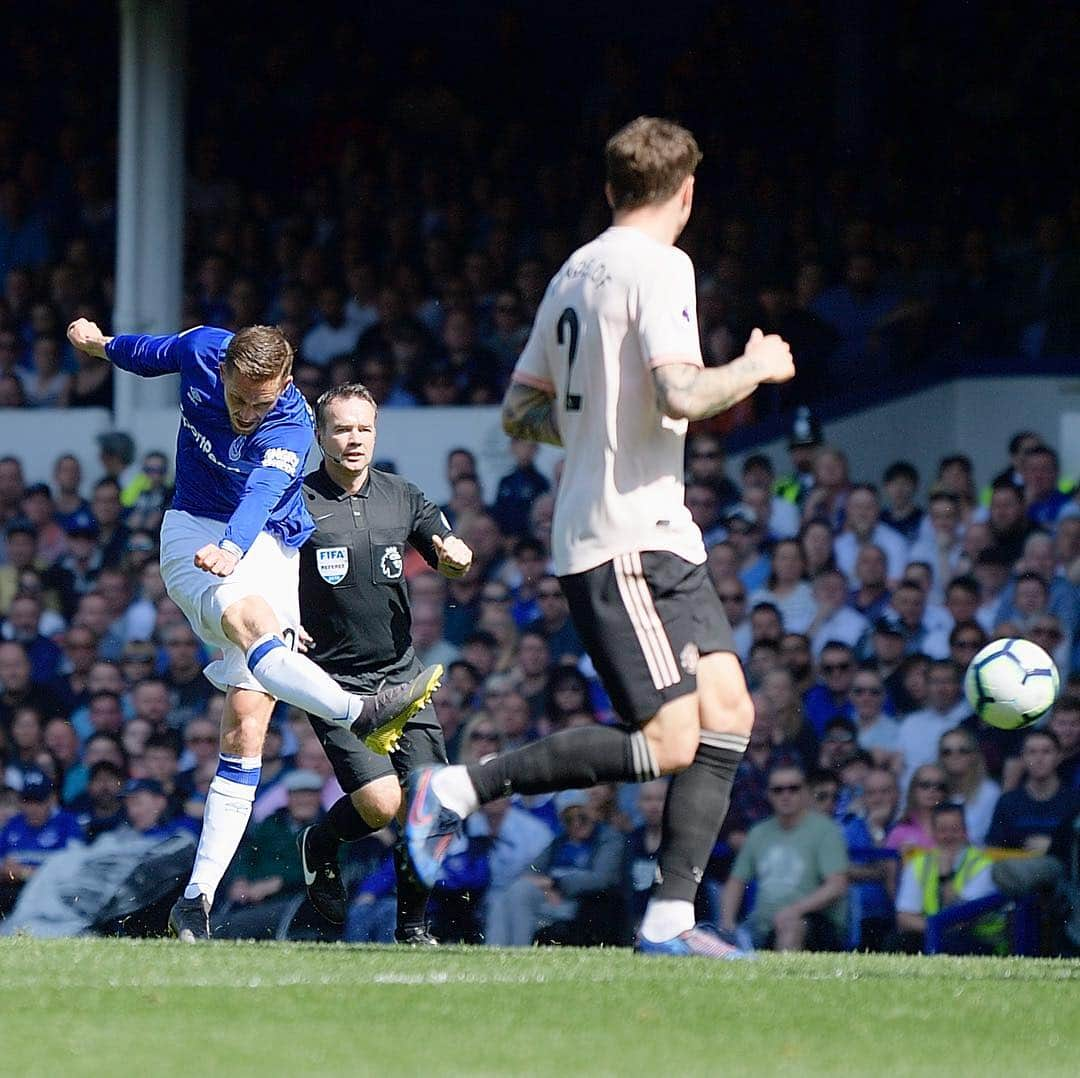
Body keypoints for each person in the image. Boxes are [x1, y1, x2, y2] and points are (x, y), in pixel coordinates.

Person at [405, 116, 794, 958]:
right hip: (621, 538)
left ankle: (670, 918)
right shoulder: (662, 265)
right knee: (670, 741)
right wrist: (757, 367)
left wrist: (595, 432)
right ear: (685, 192)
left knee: (728, 712)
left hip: (657, 529)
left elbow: (521, 411)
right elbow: (685, 393)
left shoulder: (573, 272)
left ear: (611, 188)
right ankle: (461, 787)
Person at [64, 318, 443, 942]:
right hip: (191, 529)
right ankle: (359, 712)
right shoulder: (201, 350)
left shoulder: (291, 425)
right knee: (251, 620)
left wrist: (236, 548)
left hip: (264, 542)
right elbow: (149, 353)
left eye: (258, 401)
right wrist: (101, 345)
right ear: (223, 370)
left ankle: (195, 899)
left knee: (247, 724)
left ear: (286, 383)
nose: (244, 412)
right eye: (236, 397)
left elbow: (263, 493)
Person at [294, 383, 472, 944]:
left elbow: (446, 549)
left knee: (431, 803)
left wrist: (455, 557)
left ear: (376, 433)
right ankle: (321, 842)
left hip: (401, 676)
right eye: (342, 429)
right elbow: (266, 571)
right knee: (380, 804)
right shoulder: (294, 501)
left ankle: (412, 929)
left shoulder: (403, 495)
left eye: (363, 429)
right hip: (333, 681)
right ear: (320, 435)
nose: (354, 439)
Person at [720, 762, 848, 951]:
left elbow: (836, 886)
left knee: (791, 926)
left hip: (814, 922)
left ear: (805, 792)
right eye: (778, 790)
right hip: (762, 925)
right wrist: (727, 923)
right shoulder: (758, 832)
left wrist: (795, 910)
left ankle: (781, 980)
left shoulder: (826, 831)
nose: (785, 795)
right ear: (768, 795)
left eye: (793, 789)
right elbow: (736, 881)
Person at [892, 802, 1004, 954]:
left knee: (953, 941)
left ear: (965, 832)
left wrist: (945, 876)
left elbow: (961, 918)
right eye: (942, 830)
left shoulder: (983, 865)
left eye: (955, 830)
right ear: (933, 833)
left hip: (976, 939)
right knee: (897, 942)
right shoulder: (919, 863)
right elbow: (904, 917)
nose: (949, 836)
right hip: (933, 932)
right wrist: (934, 928)